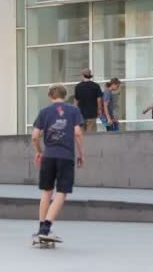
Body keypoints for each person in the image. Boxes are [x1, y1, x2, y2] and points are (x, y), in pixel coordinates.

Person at [31, 84, 85, 240]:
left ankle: (41, 227)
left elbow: (35, 136)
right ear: (65, 95)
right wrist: (81, 154)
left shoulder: (44, 112)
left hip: (48, 156)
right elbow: (77, 133)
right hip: (66, 156)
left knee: (46, 191)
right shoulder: (73, 111)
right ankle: (47, 228)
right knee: (62, 191)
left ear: (50, 96)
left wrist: (39, 151)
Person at [73, 68, 103, 133]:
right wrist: (99, 110)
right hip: (92, 114)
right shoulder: (96, 86)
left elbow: (76, 100)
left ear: (83, 75)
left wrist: (75, 112)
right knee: (91, 135)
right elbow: (99, 99)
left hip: (81, 115)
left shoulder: (78, 86)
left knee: (82, 134)